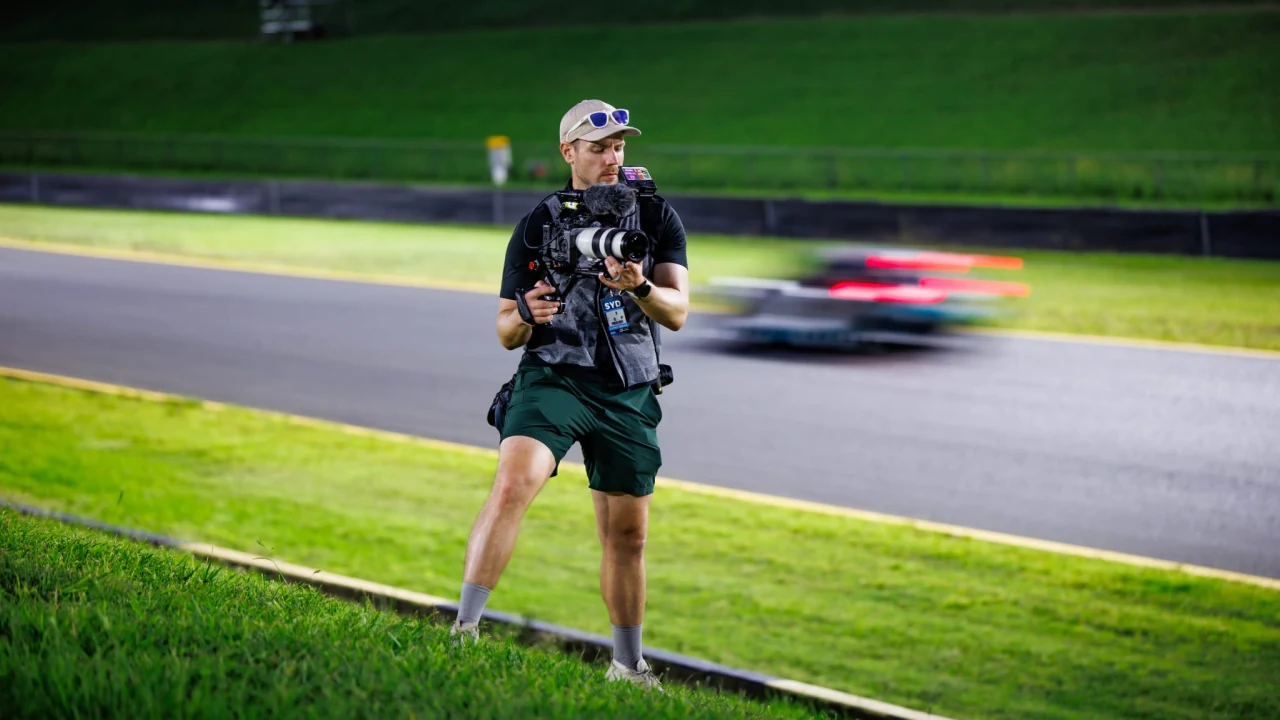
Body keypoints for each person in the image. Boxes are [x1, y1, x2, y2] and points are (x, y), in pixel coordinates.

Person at [450, 99, 690, 690]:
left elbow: (678, 312)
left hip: (630, 387)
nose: (612, 158)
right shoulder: (539, 223)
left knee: (628, 535)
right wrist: (526, 314)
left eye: (619, 147)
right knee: (514, 483)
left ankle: (628, 667)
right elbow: (506, 330)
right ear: (568, 152)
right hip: (554, 375)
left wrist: (639, 287)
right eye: (598, 147)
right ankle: (463, 632)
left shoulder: (656, 216)